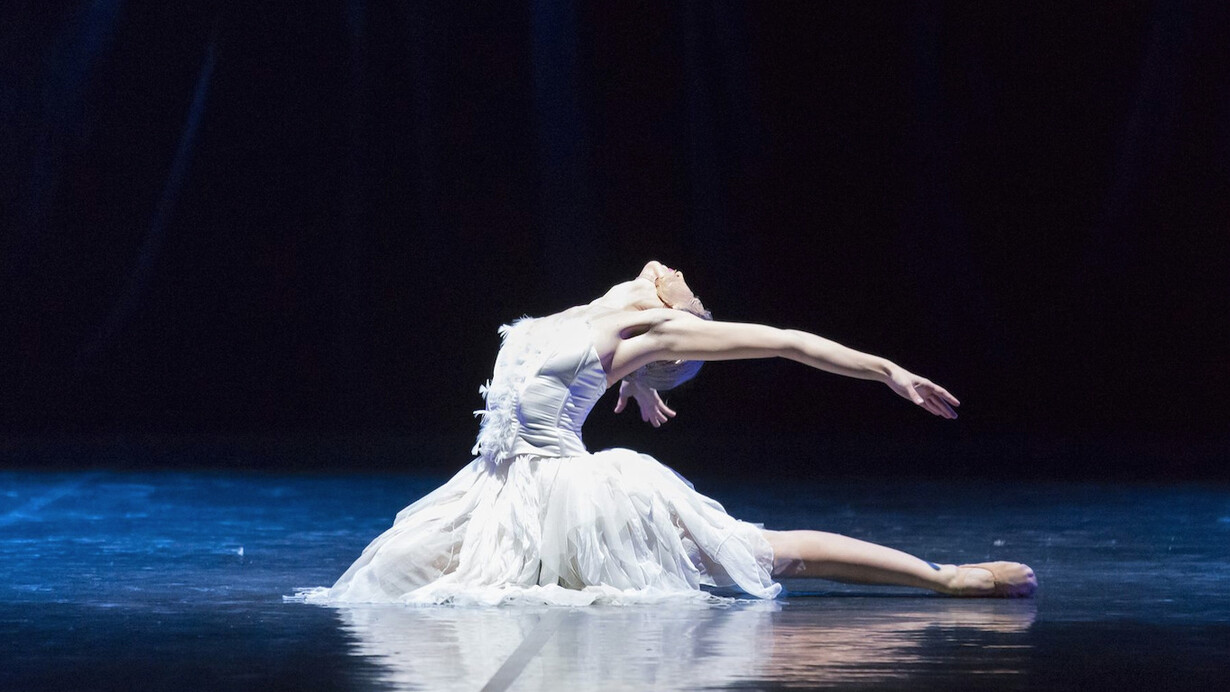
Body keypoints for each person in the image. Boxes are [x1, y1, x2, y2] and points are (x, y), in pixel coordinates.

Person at [307, 261, 1036, 606]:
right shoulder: (584, 316)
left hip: (571, 495)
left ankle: (940, 577)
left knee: (762, 553)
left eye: (695, 297)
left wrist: (885, 370)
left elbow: (786, 341)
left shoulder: (656, 325)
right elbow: (575, 370)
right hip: (497, 496)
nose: (684, 275)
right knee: (406, 585)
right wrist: (633, 380)